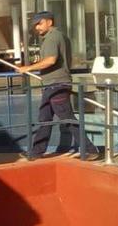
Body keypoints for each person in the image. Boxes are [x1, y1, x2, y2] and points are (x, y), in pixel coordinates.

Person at [18, 11, 100, 161]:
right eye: (36, 24)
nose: (37, 27)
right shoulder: (55, 37)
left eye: (39, 23)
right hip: (52, 84)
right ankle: (36, 152)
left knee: (66, 118)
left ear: (49, 21)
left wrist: (27, 68)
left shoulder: (52, 37)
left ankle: (90, 149)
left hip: (57, 84)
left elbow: (51, 60)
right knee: (45, 118)